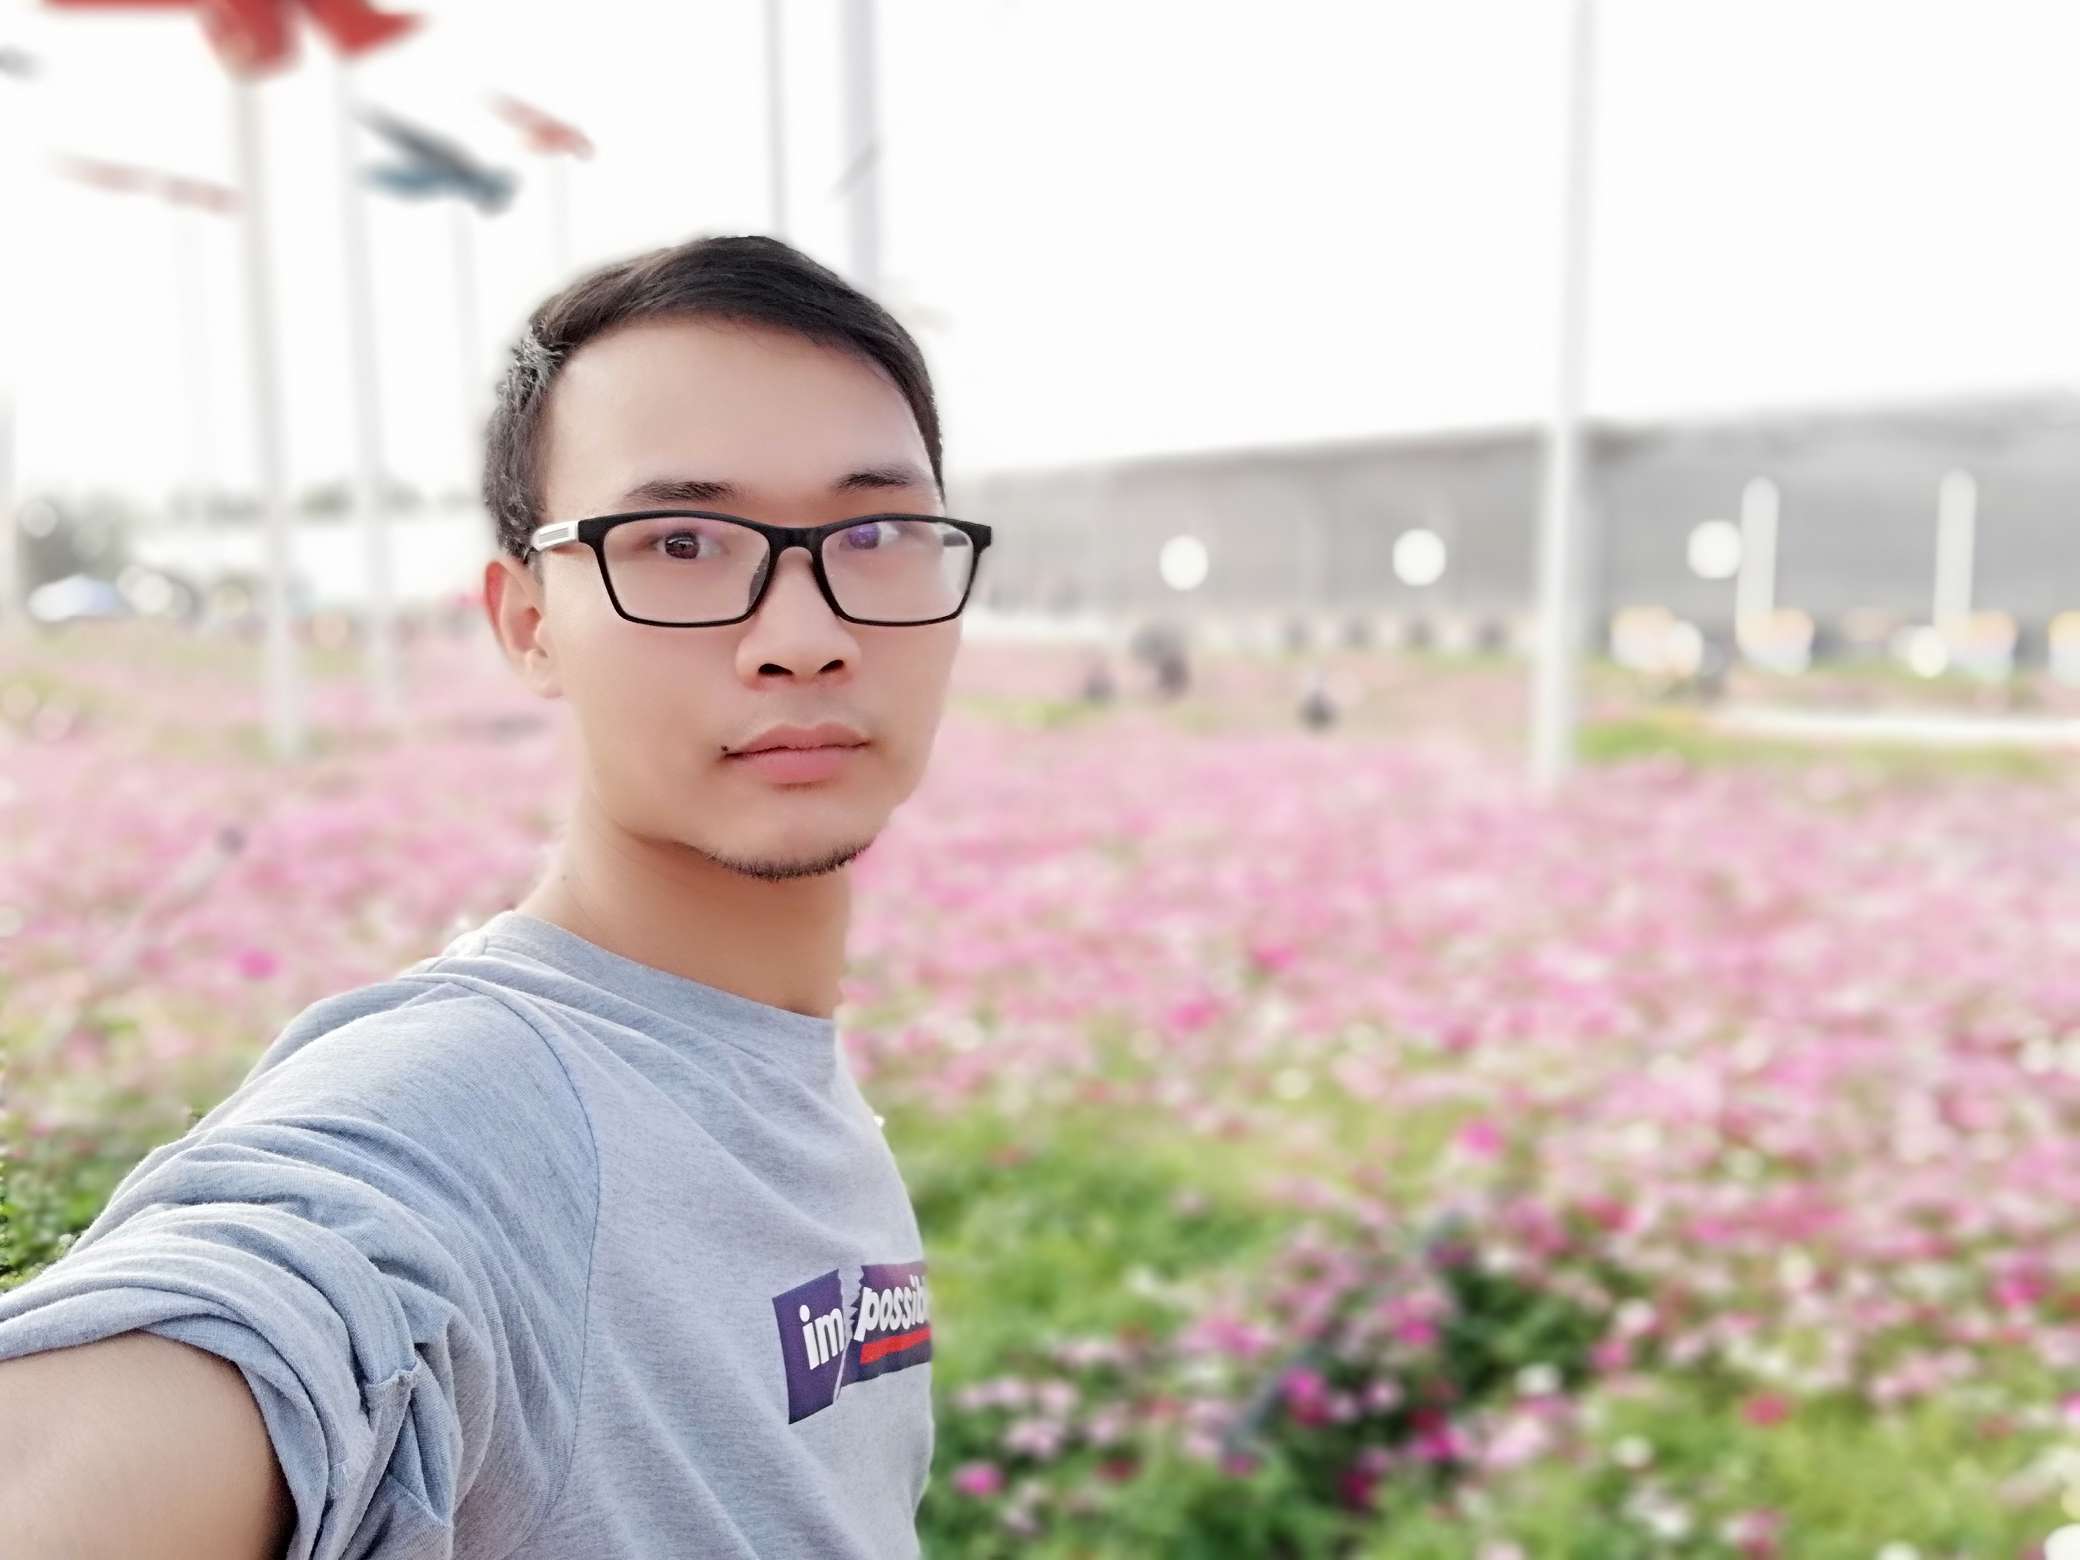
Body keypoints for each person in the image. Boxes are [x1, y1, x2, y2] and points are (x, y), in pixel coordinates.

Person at [0, 232, 990, 1559]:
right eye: (680, 542)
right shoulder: (466, 1115)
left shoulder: (770, 1067)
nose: (803, 637)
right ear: (527, 623)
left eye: (872, 533)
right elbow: (242, 1321)